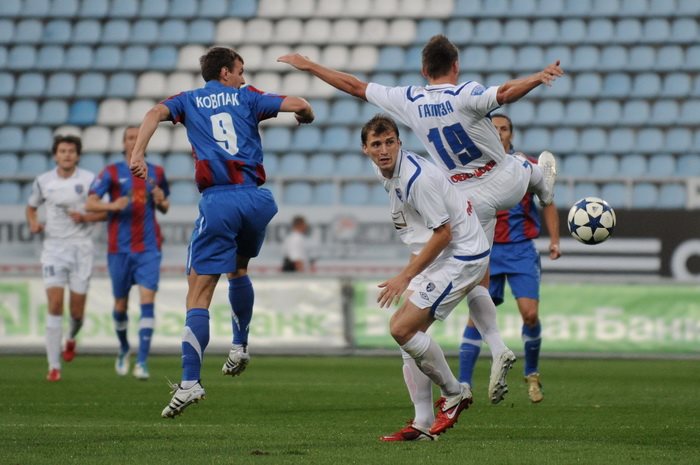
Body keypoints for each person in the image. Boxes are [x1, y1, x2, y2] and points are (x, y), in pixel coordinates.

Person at [279, 35, 562, 403]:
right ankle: (541, 183)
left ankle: (488, 353)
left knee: (476, 270)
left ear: (424, 70)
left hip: (470, 196)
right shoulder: (466, 93)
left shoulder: (410, 99)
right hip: (505, 181)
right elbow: (506, 93)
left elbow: (355, 86)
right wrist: (537, 78)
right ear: (456, 66)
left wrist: (310, 65)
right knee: (521, 169)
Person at [128, 46, 314, 418]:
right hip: (256, 199)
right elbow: (300, 104)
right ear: (226, 72)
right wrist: (304, 115)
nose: (244, 78)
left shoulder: (188, 100)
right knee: (239, 269)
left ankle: (189, 381)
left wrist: (138, 154)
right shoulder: (249, 97)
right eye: (240, 71)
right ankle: (239, 346)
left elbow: (152, 113)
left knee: (198, 291)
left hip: (219, 200)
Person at [360, 115, 488, 441]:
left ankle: (455, 393)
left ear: (399, 143)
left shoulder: (416, 179)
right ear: (366, 150)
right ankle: (423, 422)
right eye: (377, 144)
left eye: (390, 142)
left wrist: (406, 276)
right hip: (438, 255)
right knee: (408, 336)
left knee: (401, 328)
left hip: (461, 255)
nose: (384, 150)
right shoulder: (383, 169)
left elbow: (444, 234)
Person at [459, 114, 561, 403]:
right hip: (487, 249)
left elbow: (547, 200)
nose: (499, 133)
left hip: (520, 249)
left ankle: (532, 374)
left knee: (530, 314)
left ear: (511, 134)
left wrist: (554, 240)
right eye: (494, 129)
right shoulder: (473, 165)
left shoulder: (525, 165)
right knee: (476, 318)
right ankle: (463, 384)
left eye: (504, 129)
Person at [85, 126, 170, 381]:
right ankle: (124, 348)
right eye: (130, 138)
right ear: (123, 143)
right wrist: (113, 205)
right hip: (119, 249)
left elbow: (165, 206)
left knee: (147, 301)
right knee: (120, 305)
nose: (134, 141)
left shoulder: (156, 172)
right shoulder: (111, 172)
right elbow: (90, 202)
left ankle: (142, 362)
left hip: (149, 249)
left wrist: (161, 199)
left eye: (137, 137)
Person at [26, 135, 106, 382]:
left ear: (78, 155)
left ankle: (71, 337)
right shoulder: (43, 181)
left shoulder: (90, 180)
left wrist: (85, 218)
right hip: (54, 249)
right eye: (62, 151)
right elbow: (31, 207)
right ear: (55, 155)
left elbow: (105, 212)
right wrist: (33, 223)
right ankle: (53, 366)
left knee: (77, 313)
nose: (67, 155)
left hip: (82, 249)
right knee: (55, 305)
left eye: (71, 151)